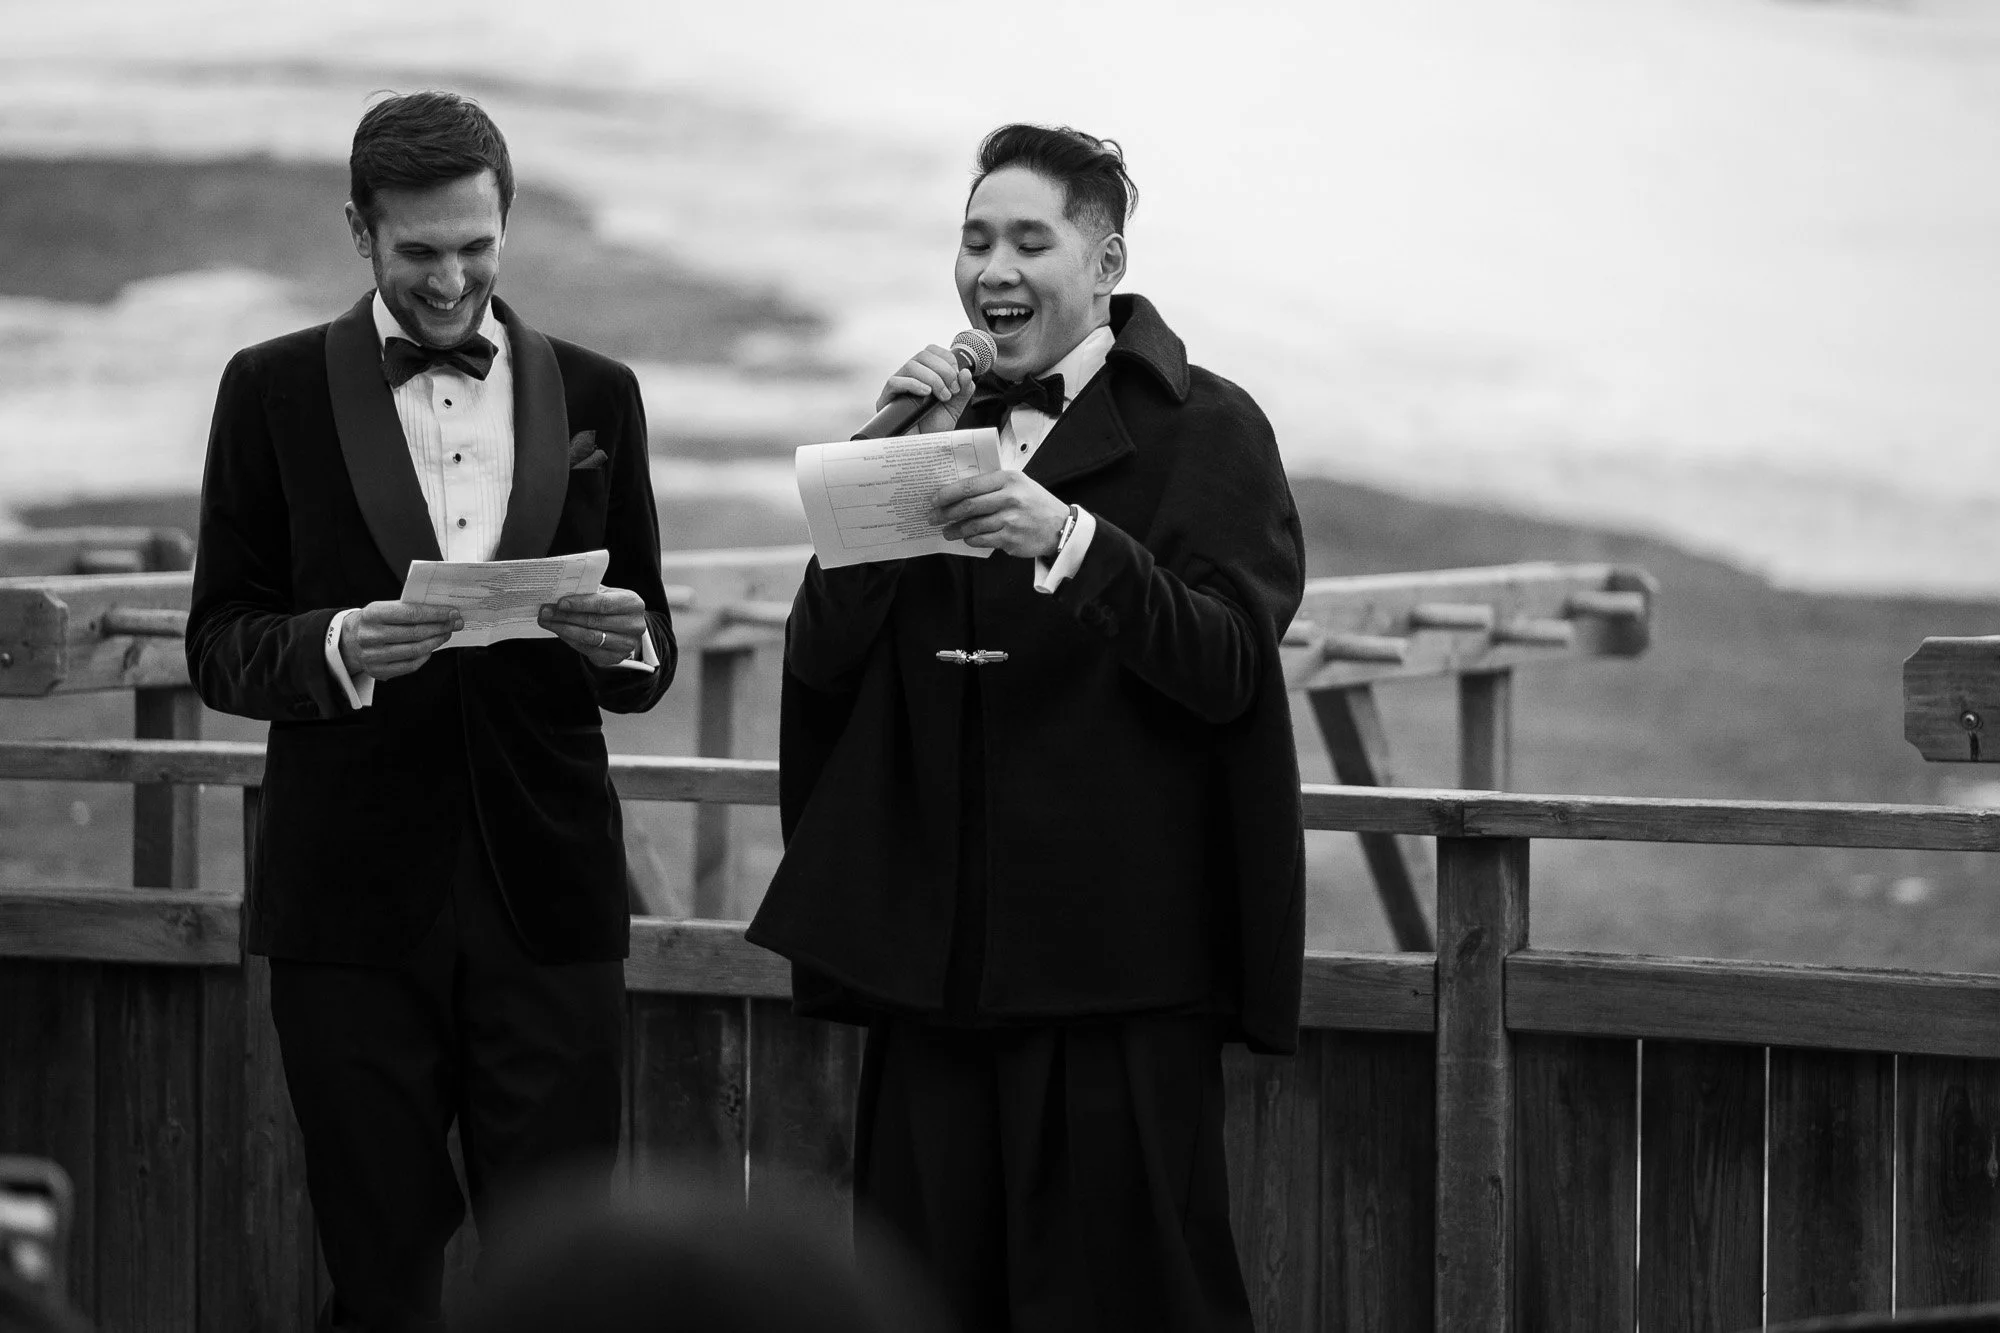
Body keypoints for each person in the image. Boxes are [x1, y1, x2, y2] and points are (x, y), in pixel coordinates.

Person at [746, 124, 1307, 1332]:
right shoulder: (924, 427)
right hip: (932, 964)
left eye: (1027, 241)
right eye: (973, 239)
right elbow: (821, 660)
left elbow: (1228, 666)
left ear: (1104, 262)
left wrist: (1072, 540)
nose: (991, 268)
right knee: (916, 1302)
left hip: (1122, 973)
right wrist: (883, 459)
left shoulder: (1210, 428)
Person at [184, 91, 676, 1333]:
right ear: (359, 229)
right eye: (418, 252)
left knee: (565, 1269)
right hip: (349, 899)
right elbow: (219, 640)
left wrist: (622, 643)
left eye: (475, 247)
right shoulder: (269, 388)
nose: (451, 281)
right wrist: (335, 643)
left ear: (507, 222)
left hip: (549, 891)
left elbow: (650, 645)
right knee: (379, 1267)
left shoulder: (601, 391)